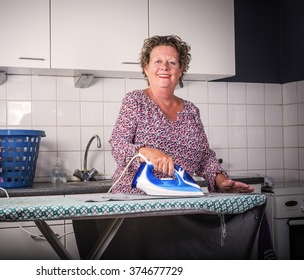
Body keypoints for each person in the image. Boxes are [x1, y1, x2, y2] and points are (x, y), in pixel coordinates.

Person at [108, 35, 254, 194]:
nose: (164, 67)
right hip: (136, 200)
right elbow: (118, 144)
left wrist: (221, 181)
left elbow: (204, 157)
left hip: (180, 199)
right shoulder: (135, 101)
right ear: (146, 67)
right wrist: (146, 151)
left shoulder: (191, 111)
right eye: (157, 61)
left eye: (172, 62)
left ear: (180, 70)